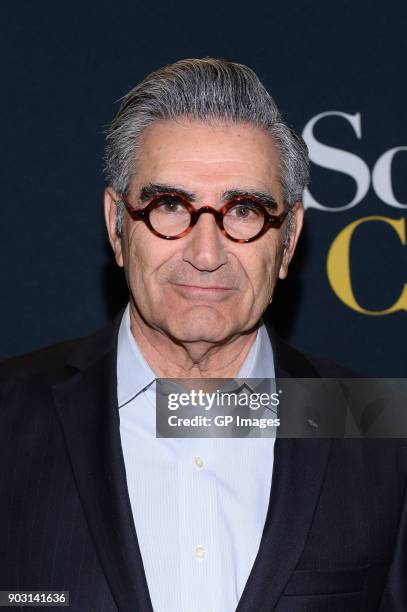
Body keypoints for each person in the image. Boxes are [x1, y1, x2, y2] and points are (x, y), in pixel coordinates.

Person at [0, 58, 405, 612]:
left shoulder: (377, 427)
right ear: (117, 226)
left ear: (288, 241)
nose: (206, 254)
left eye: (245, 211)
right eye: (170, 205)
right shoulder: (8, 416)